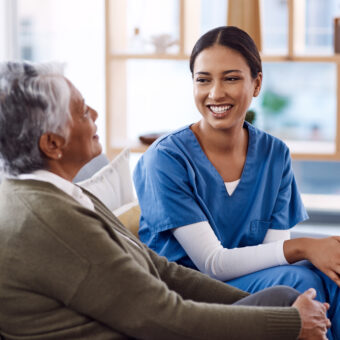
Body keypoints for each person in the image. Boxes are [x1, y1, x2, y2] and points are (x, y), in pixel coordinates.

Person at [0, 61, 329, 340]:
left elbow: (162, 270)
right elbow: (159, 317)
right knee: (291, 305)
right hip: (153, 330)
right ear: (53, 144)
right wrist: (290, 323)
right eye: (83, 111)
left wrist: (266, 307)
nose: (96, 113)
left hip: (156, 321)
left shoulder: (65, 194)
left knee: (286, 298)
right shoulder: (51, 222)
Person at [133, 26, 340, 339]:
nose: (216, 93)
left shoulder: (274, 154)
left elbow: (273, 253)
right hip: (188, 293)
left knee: (330, 276)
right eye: (203, 79)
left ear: (256, 84)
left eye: (231, 78)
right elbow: (212, 264)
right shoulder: (166, 159)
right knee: (299, 284)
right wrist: (305, 246)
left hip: (250, 282)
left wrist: (313, 254)